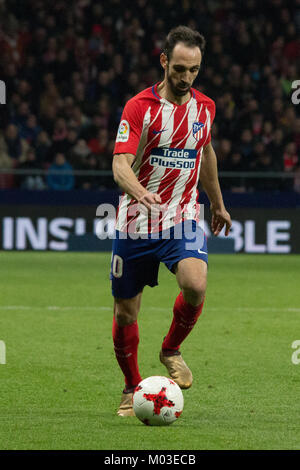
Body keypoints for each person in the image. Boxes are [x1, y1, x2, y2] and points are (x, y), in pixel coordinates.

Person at [111, 26, 232, 417]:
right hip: (135, 222)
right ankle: (131, 388)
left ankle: (171, 349)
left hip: (182, 217)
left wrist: (216, 202)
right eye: (179, 69)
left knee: (195, 284)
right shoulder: (139, 108)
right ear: (164, 61)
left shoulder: (206, 108)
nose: (185, 78)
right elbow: (119, 163)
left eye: (193, 70)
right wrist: (139, 191)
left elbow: (207, 152)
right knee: (126, 312)